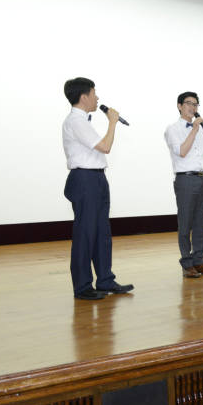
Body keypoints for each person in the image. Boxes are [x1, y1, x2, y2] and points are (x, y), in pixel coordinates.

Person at [62, 77, 134, 300]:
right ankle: (83, 286)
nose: (98, 97)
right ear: (84, 97)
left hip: (96, 178)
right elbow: (105, 146)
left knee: (102, 232)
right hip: (85, 180)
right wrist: (112, 122)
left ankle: (105, 280)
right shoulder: (76, 121)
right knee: (86, 233)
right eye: (94, 93)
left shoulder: (83, 121)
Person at [164, 91, 203, 278]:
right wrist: (194, 130)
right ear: (180, 106)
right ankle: (186, 263)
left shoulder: (202, 132)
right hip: (185, 180)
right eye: (189, 103)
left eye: (196, 104)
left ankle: (199, 261)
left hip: (202, 179)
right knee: (185, 223)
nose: (193, 107)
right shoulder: (173, 129)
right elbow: (181, 151)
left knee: (200, 224)